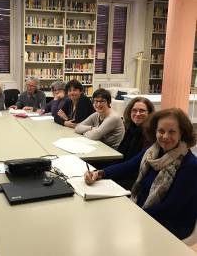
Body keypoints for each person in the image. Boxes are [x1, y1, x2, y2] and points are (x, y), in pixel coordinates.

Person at [84, 108, 197, 240]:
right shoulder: (152, 151)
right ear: (154, 131)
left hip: (170, 225)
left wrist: (132, 217)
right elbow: (128, 166)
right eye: (161, 131)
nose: (165, 136)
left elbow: (170, 208)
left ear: (182, 133)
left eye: (172, 132)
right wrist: (99, 173)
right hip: (142, 211)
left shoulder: (190, 165)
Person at [118, 97, 155, 161]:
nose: (137, 114)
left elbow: (137, 162)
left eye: (142, 111)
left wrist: (105, 171)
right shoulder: (130, 129)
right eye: (134, 110)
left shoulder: (150, 133)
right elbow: (120, 153)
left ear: (149, 113)